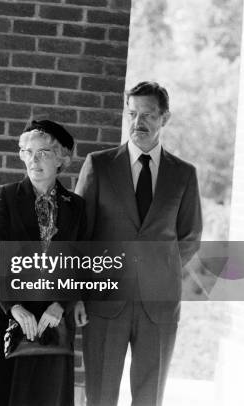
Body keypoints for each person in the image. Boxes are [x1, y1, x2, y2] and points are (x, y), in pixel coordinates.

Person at [75, 81, 202, 406]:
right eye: (132, 113)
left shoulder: (183, 174)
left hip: (158, 305)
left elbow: (190, 236)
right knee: (100, 396)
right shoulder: (99, 165)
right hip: (104, 303)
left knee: (149, 398)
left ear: (165, 118)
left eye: (147, 115)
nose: (138, 123)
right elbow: (78, 233)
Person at [0, 119, 86, 406]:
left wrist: (61, 303)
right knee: (2, 395)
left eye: (43, 152)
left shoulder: (76, 207)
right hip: (11, 316)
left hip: (53, 321)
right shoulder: (7, 197)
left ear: (61, 158)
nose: (33, 160)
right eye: (27, 151)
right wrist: (15, 306)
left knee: (45, 397)